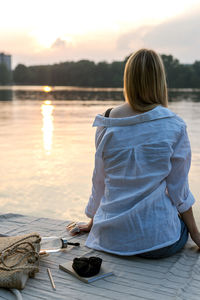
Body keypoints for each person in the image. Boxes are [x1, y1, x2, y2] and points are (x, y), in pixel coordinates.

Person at [72, 49, 200, 258]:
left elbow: (100, 181)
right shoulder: (174, 125)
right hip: (158, 243)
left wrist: (92, 222)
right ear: (160, 80)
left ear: (128, 80)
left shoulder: (107, 121)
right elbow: (179, 190)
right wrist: (195, 233)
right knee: (176, 219)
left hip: (109, 238)